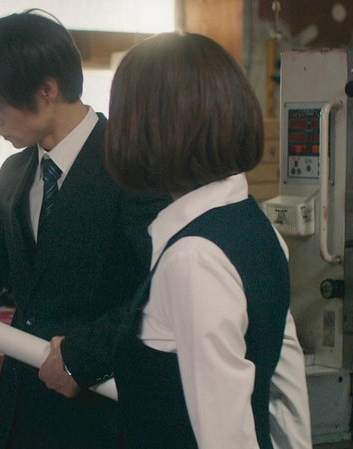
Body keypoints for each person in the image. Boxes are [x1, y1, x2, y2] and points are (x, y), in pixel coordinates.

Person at [0, 10, 170, 449]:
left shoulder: (133, 166)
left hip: (100, 408)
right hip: (23, 407)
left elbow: (162, 289)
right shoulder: (14, 171)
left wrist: (84, 356)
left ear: (47, 89)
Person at [104, 32, 312, 449]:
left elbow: (226, 437)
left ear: (146, 128)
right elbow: (285, 392)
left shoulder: (193, 258)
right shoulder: (255, 227)